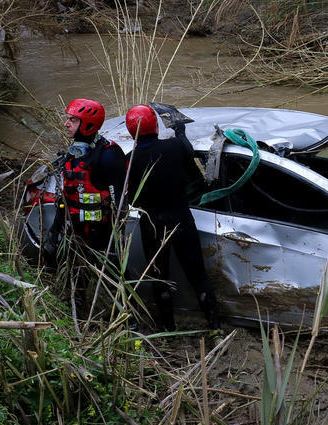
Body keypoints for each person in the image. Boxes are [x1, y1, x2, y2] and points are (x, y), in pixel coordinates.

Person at [124, 104, 221, 339]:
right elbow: (194, 172)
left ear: (130, 132)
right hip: (181, 219)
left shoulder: (129, 161)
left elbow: (129, 199)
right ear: (156, 126)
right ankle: (215, 328)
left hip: (152, 225)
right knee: (198, 275)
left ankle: (168, 331)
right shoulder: (175, 146)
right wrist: (180, 132)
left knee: (160, 279)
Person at [61, 98, 127, 251]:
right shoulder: (76, 152)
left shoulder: (108, 155)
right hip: (75, 231)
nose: (66, 124)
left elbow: (121, 202)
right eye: (67, 119)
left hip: (99, 236)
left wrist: (119, 239)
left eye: (73, 120)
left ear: (88, 125)